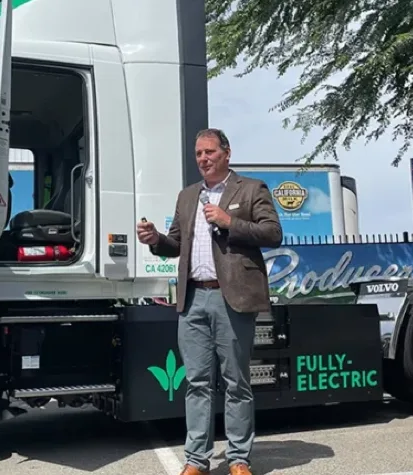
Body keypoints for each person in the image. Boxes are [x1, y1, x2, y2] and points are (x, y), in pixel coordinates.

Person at [136, 128, 283, 475]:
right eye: (198, 154)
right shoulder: (188, 197)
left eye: (209, 152)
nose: (203, 159)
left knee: (236, 382)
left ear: (226, 153)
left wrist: (230, 221)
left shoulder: (250, 188)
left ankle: (238, 459)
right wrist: (155, 238)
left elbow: (273, 233)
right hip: (193, 298)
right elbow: (174, 245)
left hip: (231, 297)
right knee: (198, 382)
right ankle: (197, 460)